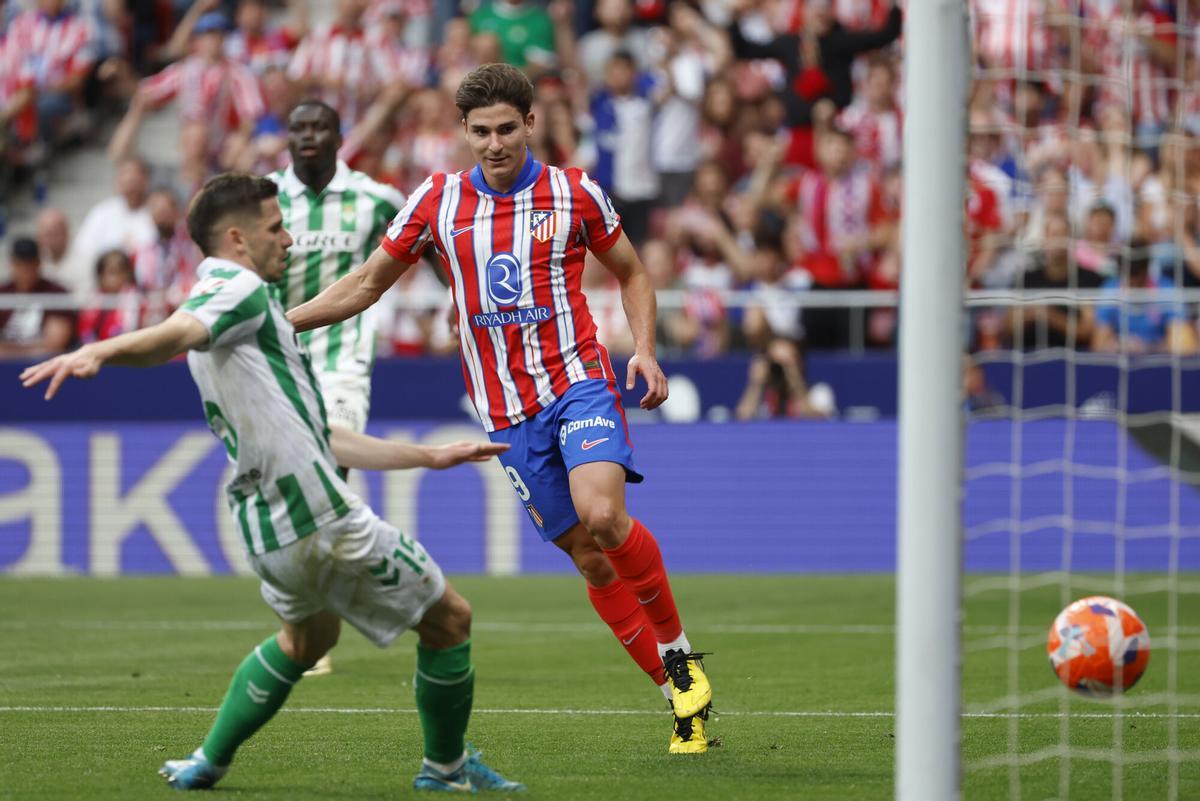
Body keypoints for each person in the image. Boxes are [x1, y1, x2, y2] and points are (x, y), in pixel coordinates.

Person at [19, 173, 524, 794]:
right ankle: (445, 770)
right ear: (237, 237)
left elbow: (320, 435)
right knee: (451, 621)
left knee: (308, 637)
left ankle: (208, 760)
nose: (289, 240)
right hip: (320, 516)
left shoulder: (227, 301)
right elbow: (175, 336)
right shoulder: (238, 290)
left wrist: (427, 456)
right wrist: (101, 351)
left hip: (264, 528)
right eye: (276, 227)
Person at [287, 63, 714, 754]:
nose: (494, 143)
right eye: (480, 131)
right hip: (505, 412)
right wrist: (280, 322)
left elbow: (632, 270)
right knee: (589, 557)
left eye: (506, 129)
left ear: (531, 124)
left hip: (576, 380)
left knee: (604, 514)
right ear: (462, 131)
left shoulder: (574, 192)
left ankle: (679, 656)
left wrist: (645, 348)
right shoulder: (435, 201)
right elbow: (367, 283)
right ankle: (682, 702)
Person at [266, 98, 409, 676]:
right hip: (277, 360)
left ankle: (315, 621)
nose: (308, 136)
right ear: (288, 137)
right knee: (293, 486)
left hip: (344, 358)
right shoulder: (265, 197)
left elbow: (428, 240)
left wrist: (459, 301)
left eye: (319, 126)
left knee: (329, 466)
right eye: (298, 127)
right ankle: (306, 618)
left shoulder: (375, 198)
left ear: (338, 134)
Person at [0, 237, 75, 358]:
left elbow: (54, 345)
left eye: (30, 263)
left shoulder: (56, 293)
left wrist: (7, 350)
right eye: (20, 263)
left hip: (44, 365)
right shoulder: (3, 293)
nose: (25, 269)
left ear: (39, 263)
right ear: (11, 264)